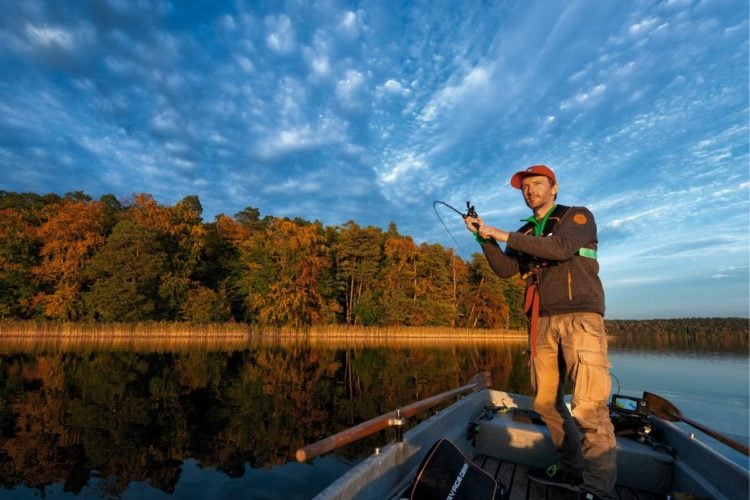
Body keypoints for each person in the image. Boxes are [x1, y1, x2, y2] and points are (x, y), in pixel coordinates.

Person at [465, 164, 617, 500]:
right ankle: (569, 470)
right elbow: (506, 270)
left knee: (589, 410)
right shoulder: (526, 233)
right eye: (525, 187)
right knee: (546, 403)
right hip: (541, 323)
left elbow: (561, 249)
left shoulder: (576, 217)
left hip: (581, 319)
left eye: (537, 184)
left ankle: (598, 493)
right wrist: (482, 237)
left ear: (554, 188)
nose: (530, 190)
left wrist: (501, 234)